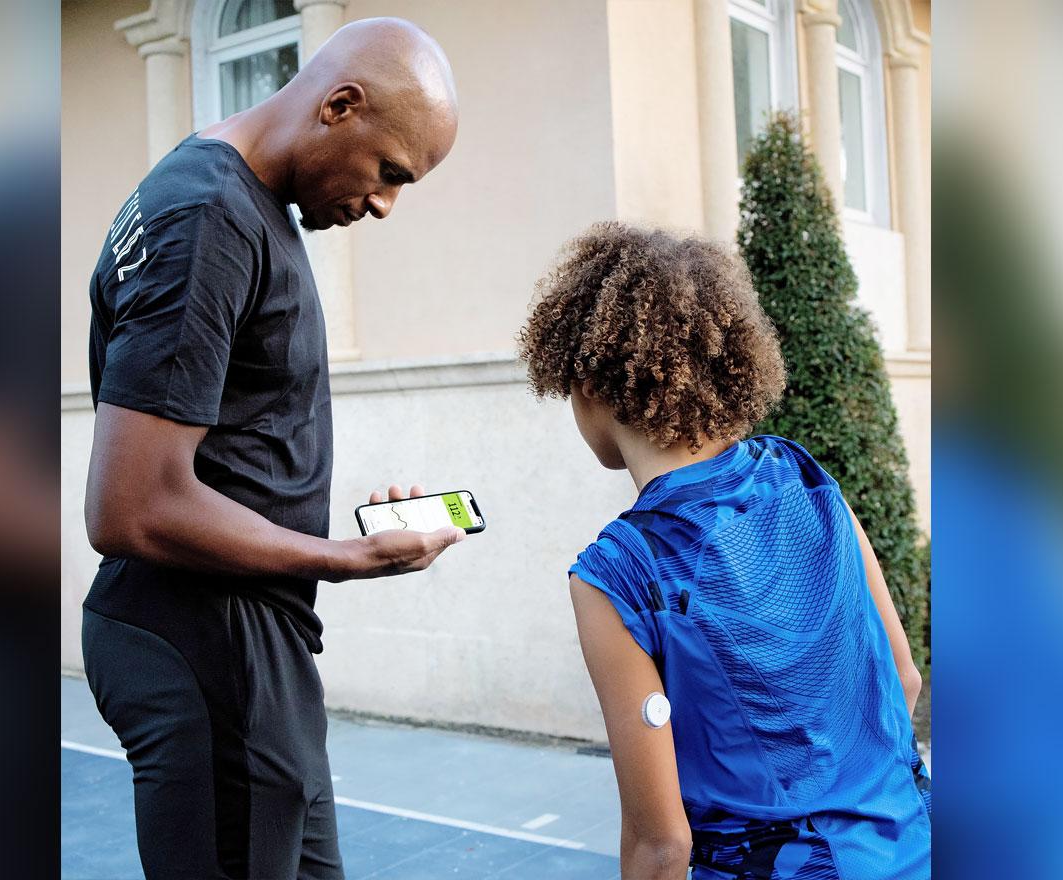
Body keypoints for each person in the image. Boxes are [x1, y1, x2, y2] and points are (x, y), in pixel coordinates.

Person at [81, 18, 463, 880]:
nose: (382, 205)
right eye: (389, 172)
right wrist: (341, 558)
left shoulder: (227, 194)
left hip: (253, 646)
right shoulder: (208, 216)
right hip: (210, 641)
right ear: (339, 105)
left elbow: (227, 441)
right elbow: (128, 505)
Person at [516, 223, 932, 879]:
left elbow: (661, 846)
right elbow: (902, 677)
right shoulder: (805, 480)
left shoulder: (617, 574)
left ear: (587, 383)